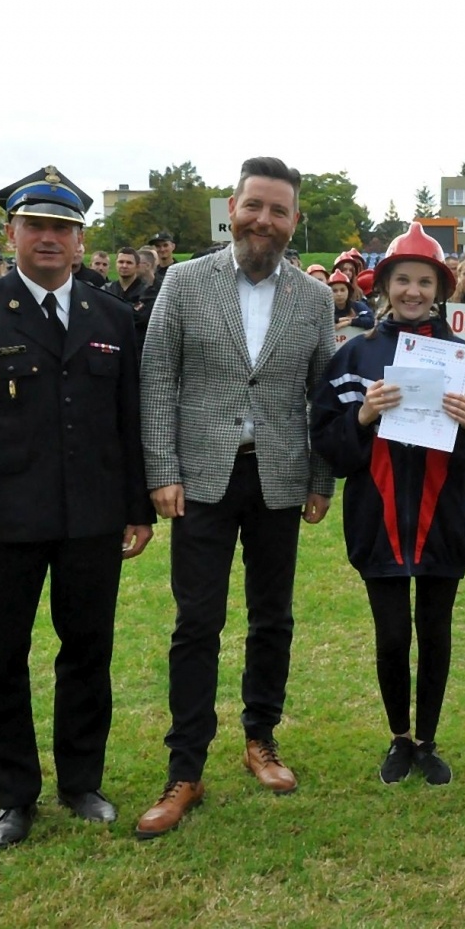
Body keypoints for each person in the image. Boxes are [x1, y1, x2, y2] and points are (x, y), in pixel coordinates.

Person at [0, 166, 153, 848]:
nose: (49, 238)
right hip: (3, 525)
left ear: (81, 241)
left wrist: (136, 507)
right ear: (11, 234)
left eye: (63, 227)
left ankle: (81, 781)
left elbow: (127, 420)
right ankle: (13, 797)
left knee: (87, 653)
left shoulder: (112, 316)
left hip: (91, 519)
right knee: (2, 660)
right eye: (36, 226)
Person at [135, 157, 337, 839]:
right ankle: (185, 768)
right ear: (232, 208)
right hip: (201, 479)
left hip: (278, 476)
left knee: (272, 618)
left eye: (279, 211)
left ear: (293, 221)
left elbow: (322, 395)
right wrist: (161, 468)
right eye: (255, 206)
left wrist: (320, 479)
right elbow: (157, 379)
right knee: (197, 623)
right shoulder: (184, 281)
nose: (264, 220)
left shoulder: (314, 298)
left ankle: (261, 738)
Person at [311, 223, 465, 787]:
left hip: (445, 519)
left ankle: (428, 740)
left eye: (424, 281)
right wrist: (362, 416)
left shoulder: (463, 357)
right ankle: (399, 736)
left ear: (440, 289)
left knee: (436, 633)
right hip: (378, 520)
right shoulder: (356, 354)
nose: (413, 291)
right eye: (402, 280)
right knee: (393, 635)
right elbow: (329, 444)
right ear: (384, 286)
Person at [105, 246, 156, 346]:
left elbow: (140, 317)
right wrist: (130, 307)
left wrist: (112, 308)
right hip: (111, 344)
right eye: (121, 262)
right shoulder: (106, 289)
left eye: (129, 263)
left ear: (137, 266)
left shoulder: (148, 292)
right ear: (116, 264)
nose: (124, 266)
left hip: (137, 346)